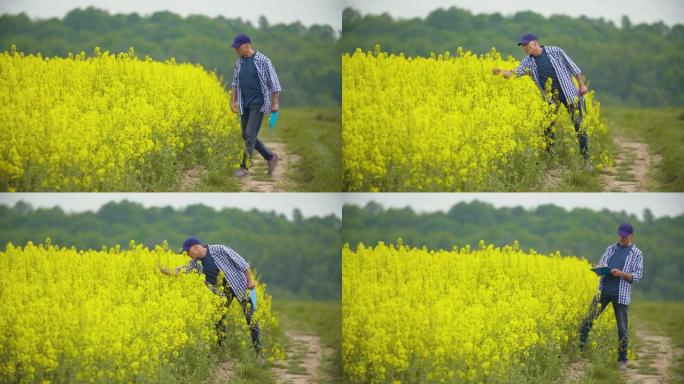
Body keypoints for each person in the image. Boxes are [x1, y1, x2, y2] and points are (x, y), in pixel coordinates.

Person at [492, 34, 592, 170]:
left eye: (526, 45)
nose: (524, 48)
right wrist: (500, 72)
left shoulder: (555, 51)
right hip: (551, 98)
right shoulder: (528, 61)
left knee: (579, 126)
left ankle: (586, 161)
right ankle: (548, 160)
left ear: (534, 43)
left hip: (569, 93)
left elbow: (573, 68)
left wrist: (581, 85)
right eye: (523, 46)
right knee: (548, 128)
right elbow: (514, 73)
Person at [159, 237, 262, 356]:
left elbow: (242, 263)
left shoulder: (219, 249)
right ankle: (220, 350)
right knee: (218, 320)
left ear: (195, 247)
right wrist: (160, 269)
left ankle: (259, 352)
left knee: (251, 319)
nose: (187, 255)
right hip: (221, 293)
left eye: (187, 252)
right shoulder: (195, 263)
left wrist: (250, 280)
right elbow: (178, 271)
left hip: (239, 286)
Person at [578, 223, 644, 370]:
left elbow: (637, 275)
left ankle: (622, 360)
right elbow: (602, 263)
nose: (622, 238)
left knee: (622, 328)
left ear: (631, 236)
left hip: (621, 295)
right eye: (620, 235)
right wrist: (603, 269)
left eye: (625, 236)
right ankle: (578, 350)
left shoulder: (637, 254)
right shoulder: (611, 248)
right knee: (588, 319)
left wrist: (621, 273)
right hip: (604, 290)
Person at [229, 33, 281, 178]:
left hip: (259, 103)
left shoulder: (263, 61)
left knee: (250, 135)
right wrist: (233, 101)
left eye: (237, 48)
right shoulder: (239, 62)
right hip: (244, 103)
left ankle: (244, 168)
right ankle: (270, 157)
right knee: (245, 135)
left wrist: (275, 102)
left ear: (246, 46)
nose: (236, 50)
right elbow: (235, 83)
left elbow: (275, 84)